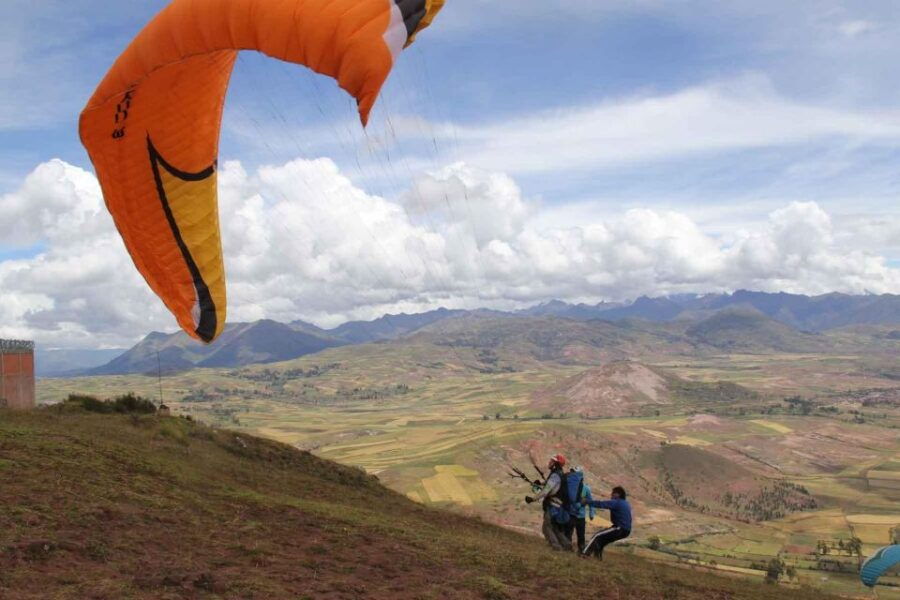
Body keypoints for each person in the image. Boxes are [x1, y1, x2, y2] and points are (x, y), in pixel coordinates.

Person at [525, 454, 572, 551]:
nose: (549, 462)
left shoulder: (555, 475)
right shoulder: (559, 474)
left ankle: (556, 547)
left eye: (552, 461)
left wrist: (533, 499)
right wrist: (540, 483)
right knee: (554, 528)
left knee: (546, 528)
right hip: (558, 506)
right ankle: (567, 545)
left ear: (556, 464)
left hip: (553, 507)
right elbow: (550, 485)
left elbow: (546, 491)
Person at [582, 486, 632, 560]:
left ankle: (584, 554)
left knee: (597, 536)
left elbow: (601, 504)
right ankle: (597, 558)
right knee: (601, 541)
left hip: (619, 528)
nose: (611, 495)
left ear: (617, 494)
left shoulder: (616, 502)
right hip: (627, 530)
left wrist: (587, 502)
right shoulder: (626, 503)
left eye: (613, 493)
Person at [566, 470, 595, 553]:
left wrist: (591, 513)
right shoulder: (571, 487)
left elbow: (590, 502)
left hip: (581, 516)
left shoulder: (586, 489)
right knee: (568, 532)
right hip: (571, 514)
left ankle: (581, 549)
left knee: (581, 534)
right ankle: (568, 548)